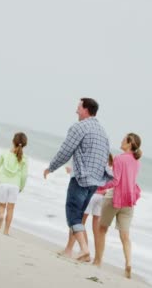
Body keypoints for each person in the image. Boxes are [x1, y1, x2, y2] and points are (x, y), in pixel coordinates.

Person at [43, 98, 112, 262]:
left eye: (78, 108)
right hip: (96, 182)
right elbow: (105, 158)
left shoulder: (79, 127)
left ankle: (84, 249)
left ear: (86, 109)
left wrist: (51, 167)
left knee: (73, 214)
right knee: (79, 215)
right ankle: (75, 250)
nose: (76, 111)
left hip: (81, 179)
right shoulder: (103, 132)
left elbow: (65, 151)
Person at [93, 133, 143, 279]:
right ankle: (128, 263)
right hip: (130, 201)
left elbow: (115, 181)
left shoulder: (119, 158)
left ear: (129, 143)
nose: (121, 140)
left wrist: (99, 187)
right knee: (125, 235)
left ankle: (98, 261)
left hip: (115, 198)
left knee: (102, 229)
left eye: (124, 139)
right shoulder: (136, 161)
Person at [62, 154, 113, 260]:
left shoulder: (96, 164)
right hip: (102, 198)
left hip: (92, 195)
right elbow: (111, 182)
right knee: (97, 229)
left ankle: (72, 249)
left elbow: (86, 177)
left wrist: (71, 171)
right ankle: (98, 259)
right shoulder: (109, 168)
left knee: (79, 222)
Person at [0, 132, 29, 236]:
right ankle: (6, 231)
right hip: (15, 185)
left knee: (1, 205)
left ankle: (1, 216)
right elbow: (24, 176)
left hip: (3, 183)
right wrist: (21, 187)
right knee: (10, 208)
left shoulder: (5, 153)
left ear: (13, 141)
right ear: (24, 144)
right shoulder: (24, 158)